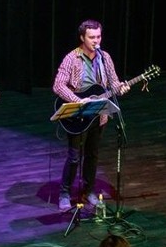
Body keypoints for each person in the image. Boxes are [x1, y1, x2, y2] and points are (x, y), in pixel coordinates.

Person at [53, 19, 129, 210]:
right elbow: (58, 85)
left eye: (99, 36)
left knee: (92, 154)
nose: (96, 41)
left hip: (99, 114)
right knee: (74, 157)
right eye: (92, 37)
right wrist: (78, 101)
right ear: (82, 38)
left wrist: (122, 88)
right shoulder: (72, 58)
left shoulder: (105, 58)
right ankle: (64, 192)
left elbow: (114, 84)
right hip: (78, 114)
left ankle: (88, 190)